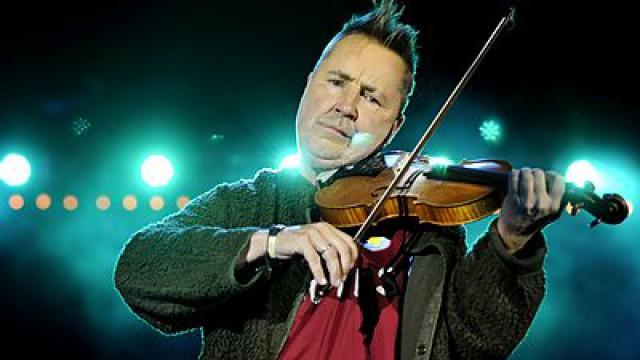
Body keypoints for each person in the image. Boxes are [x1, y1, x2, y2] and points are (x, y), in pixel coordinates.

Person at [114, 1, 565, 359]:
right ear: (309, 84)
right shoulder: (248, 204)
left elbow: (477, 343)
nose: (346, 106)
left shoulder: (427, 228)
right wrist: (271, 241)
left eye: (371, 97)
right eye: (337, 82)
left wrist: (510, 244)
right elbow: (139, 269)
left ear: (394, 125)